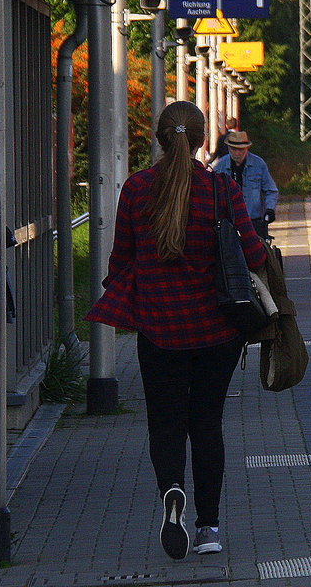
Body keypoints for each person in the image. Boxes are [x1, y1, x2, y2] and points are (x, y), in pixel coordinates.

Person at [86, 101, 266, 561]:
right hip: (217, 333)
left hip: (159, 331)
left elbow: (120, 261)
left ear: (161, 139)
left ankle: (171, 492)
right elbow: (254, 256)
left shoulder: (136, 189)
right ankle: (208, 528)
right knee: (207, 425)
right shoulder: (221, 189)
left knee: (165, 424)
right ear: (204, 140)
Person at [212, 130, 278, 240]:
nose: (237, 153)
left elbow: (271, 190)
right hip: (228, 221)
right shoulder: (221, 166)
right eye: (234, 149)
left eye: (241, 149)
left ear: (247, 148)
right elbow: (213, 191)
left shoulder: (259, 164)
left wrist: (270, 209)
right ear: (228, 148)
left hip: (253, 220)